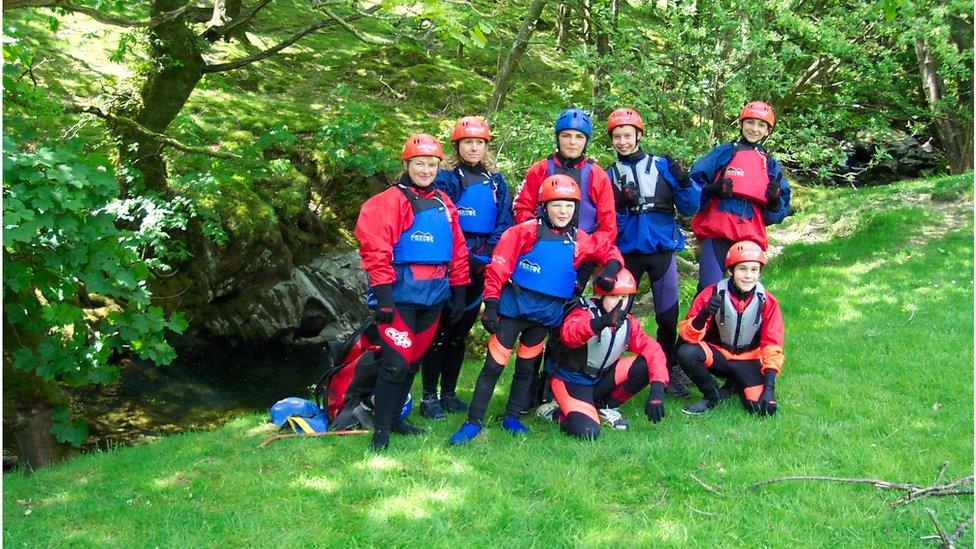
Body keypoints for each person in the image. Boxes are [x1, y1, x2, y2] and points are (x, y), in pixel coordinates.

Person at [448, 174, 624, 445]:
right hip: (513, 310)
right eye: (556, 205)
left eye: (568, 205)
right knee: (493, 367)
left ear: (576, 208)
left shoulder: (580, 240)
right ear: (544, 206)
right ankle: (473, 422)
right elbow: (498, 267)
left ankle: (512, 416)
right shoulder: (524, 232)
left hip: (545, 316)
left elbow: (609, 250)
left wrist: (611, 268)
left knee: (526, 368)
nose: (563, 211)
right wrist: (491, 304)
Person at [355, 133, 470, 450]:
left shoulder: (444, 203)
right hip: (400, 296)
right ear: (407, 164)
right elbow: (375, 250)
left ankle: (394, 420)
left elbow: (457, 250)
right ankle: (381, 430)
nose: (426, 170)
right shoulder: (388, 202)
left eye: (432, 164)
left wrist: (459, 294)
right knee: (395, 364)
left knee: (413, 362)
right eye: (420, 163)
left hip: (433, 296)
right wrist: (384, 297)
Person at [420, 117, 513, 420]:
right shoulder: (447, 178)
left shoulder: (496, 181)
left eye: (479, 142)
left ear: (486, 146)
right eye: (467, 142)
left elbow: (504, 221)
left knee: (460, 332)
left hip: (481, 262)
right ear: (457, 145)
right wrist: (462, 255)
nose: (473, 147)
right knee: (439, 332)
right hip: (451, 263)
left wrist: (486, 253)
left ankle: (448, 394)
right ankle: (428, 396)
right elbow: (441, 218)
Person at [604, 107, 701, 398]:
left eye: (627, 135)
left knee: (667, 317)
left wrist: (684, 182)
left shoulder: (660, 166)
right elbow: (608, 223)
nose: (622, 141)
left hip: (661, 249)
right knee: (616, 315)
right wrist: (621, 204)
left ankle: (668, 371)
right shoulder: (609, 174)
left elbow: (690, 207)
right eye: (617, 136)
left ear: (638, 135)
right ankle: (609, 370)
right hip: (627, 254)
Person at [536, 268, 669, 438]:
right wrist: (602, 322)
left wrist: (657, 388)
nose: (620, 304)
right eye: (614, 296)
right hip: (570, 382)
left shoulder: (628, 322)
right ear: (601, 295)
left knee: (644, 365)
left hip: (599, 379)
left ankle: (604, 407)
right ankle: (553, 412)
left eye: (624, 297)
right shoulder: (582, 311)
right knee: (587, 432)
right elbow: (569, 335)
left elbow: (653, 350)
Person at [688, 101, 791, 293]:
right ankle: (698, 323)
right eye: (750, 122)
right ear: (741, 124)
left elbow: (777, 213)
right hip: (717, 229)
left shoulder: (770, 165)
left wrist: (775, 203)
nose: (754, 129)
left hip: (750, 233)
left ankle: (741, 323)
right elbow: (691, 189)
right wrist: (711, 190)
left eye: (761, 125)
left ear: (768, 131)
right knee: (709, 290)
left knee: (745, 291)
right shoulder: (723, 153)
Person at [675, 240, 784, 416]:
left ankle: (735, 383)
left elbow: (772, 346)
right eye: (743, 269)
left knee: (761, 410)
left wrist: (769, 389)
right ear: (731, 270)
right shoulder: (711, 293)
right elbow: (687, 337)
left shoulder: (768, 302)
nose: (749, 276)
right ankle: (712, 395)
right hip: (719, 356)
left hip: (749, 359)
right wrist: (703, 316)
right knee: (686, 352)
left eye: (754, 270)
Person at [513, 108, 617, 260]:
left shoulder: (597, 175)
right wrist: (539, 233)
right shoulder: (539, 170)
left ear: (586, 141)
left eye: (579, 137)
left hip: (583, 253)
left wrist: (588, 249)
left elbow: (608, 227)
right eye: (566, 136)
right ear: (558, 138)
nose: (572, 142)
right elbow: (521, 208)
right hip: (542, 245)